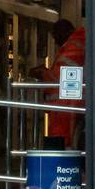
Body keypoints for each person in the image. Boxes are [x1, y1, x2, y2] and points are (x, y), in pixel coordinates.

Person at [32, 19, 86, 149]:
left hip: (66, 108)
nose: (55, 41)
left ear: (64, 31)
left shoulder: (73, 47)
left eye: (56, 36)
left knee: (63, 147)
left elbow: (61, 78)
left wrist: (42, 74)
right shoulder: (78, 43)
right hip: (69, 108)